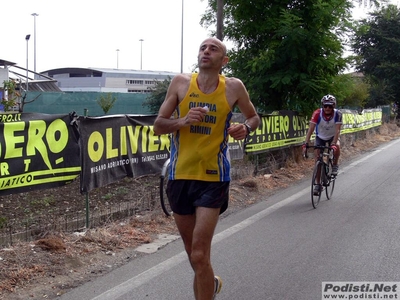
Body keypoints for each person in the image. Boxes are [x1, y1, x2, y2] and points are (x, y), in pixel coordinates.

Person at [153, 37, 260, 300]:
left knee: (200, 253)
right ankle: (208, 283)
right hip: (180, 176)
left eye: (214, 49)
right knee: (195, 257)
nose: (206, 51)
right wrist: (183, 121)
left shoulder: (233, 88)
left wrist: (244, 128)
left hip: (213, 178)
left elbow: (254, 116)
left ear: (224, 61)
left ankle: (205, 285)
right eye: (203, 48)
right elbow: (158, 124)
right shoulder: (181, 83)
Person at [302, 94, 342, 195]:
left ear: (334, 106)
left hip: (333, 136)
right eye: (325, 106)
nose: (327, 108)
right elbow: (311, 129)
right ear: (322, 106)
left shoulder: (338, 114)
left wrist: (333, 144)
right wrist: (305, 143)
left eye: (330, 106)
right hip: (320, 137)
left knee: (337, 146)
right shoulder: (317, 113)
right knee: (317, 160)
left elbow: (337, 131)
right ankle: (318, 184)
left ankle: (335, 165)